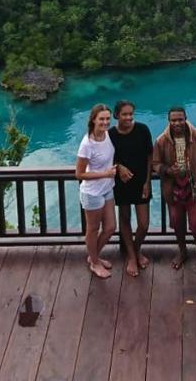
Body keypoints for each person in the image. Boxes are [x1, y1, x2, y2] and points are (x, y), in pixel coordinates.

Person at [153, 106, 196, 276]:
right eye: (173, 120)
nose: (177, 123)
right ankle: (183, 251)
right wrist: (167, 170)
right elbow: (155, 163)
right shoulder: (161, 141)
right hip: (173, 190)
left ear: (186, 118)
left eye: (180, 119)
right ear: (169, 121)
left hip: (194, 189)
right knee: (178, 224)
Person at [109, 100, 154, 278]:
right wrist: (118, 167)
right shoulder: (110, 135)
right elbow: (105, 159)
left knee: (143, 224)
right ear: (116, 115)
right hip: (121, 183)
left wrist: (147, 182)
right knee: (125, 219)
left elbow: (150, 156)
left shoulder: (142, 130)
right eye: (124, 114)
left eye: (131, 114)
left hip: (141, 181)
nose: (128, 118)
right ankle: (132, 257)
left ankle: (135, 250)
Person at [75, 103, 118, 279]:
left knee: (110, 227)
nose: (105, 122)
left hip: (108, 188)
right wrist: (105, 173)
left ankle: (94, 256)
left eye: (108, 118)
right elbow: (79, 174)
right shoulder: (87, 144)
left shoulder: (108, 135)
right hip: (92, 193)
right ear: (93, 120)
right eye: (101, 119)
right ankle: (94, 262)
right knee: (93, 229)